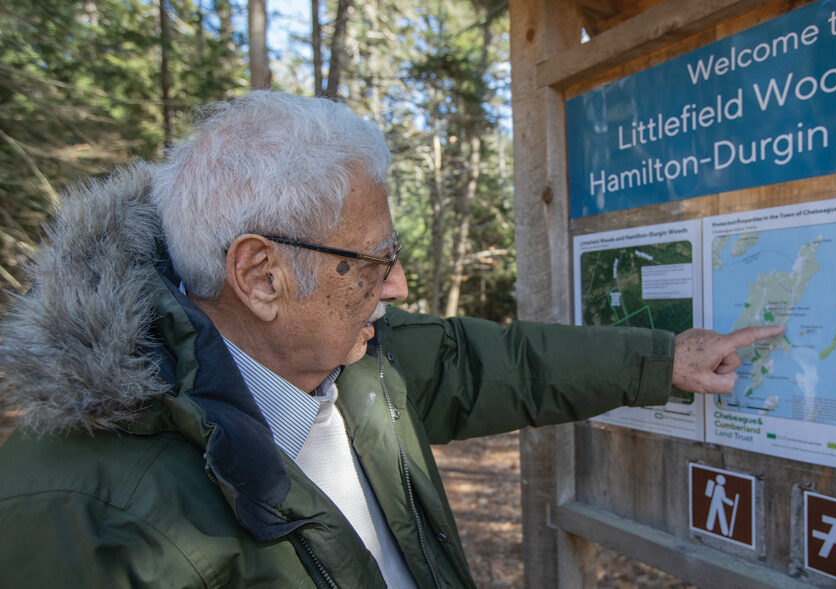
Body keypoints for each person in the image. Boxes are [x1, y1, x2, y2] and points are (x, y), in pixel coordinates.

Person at [0, 91, 784, 588]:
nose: (399, 287)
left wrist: (662, 359)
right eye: (373, 261)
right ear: (260, 274)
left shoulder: (351, 356)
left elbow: (489, 363)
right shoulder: (70, 512)